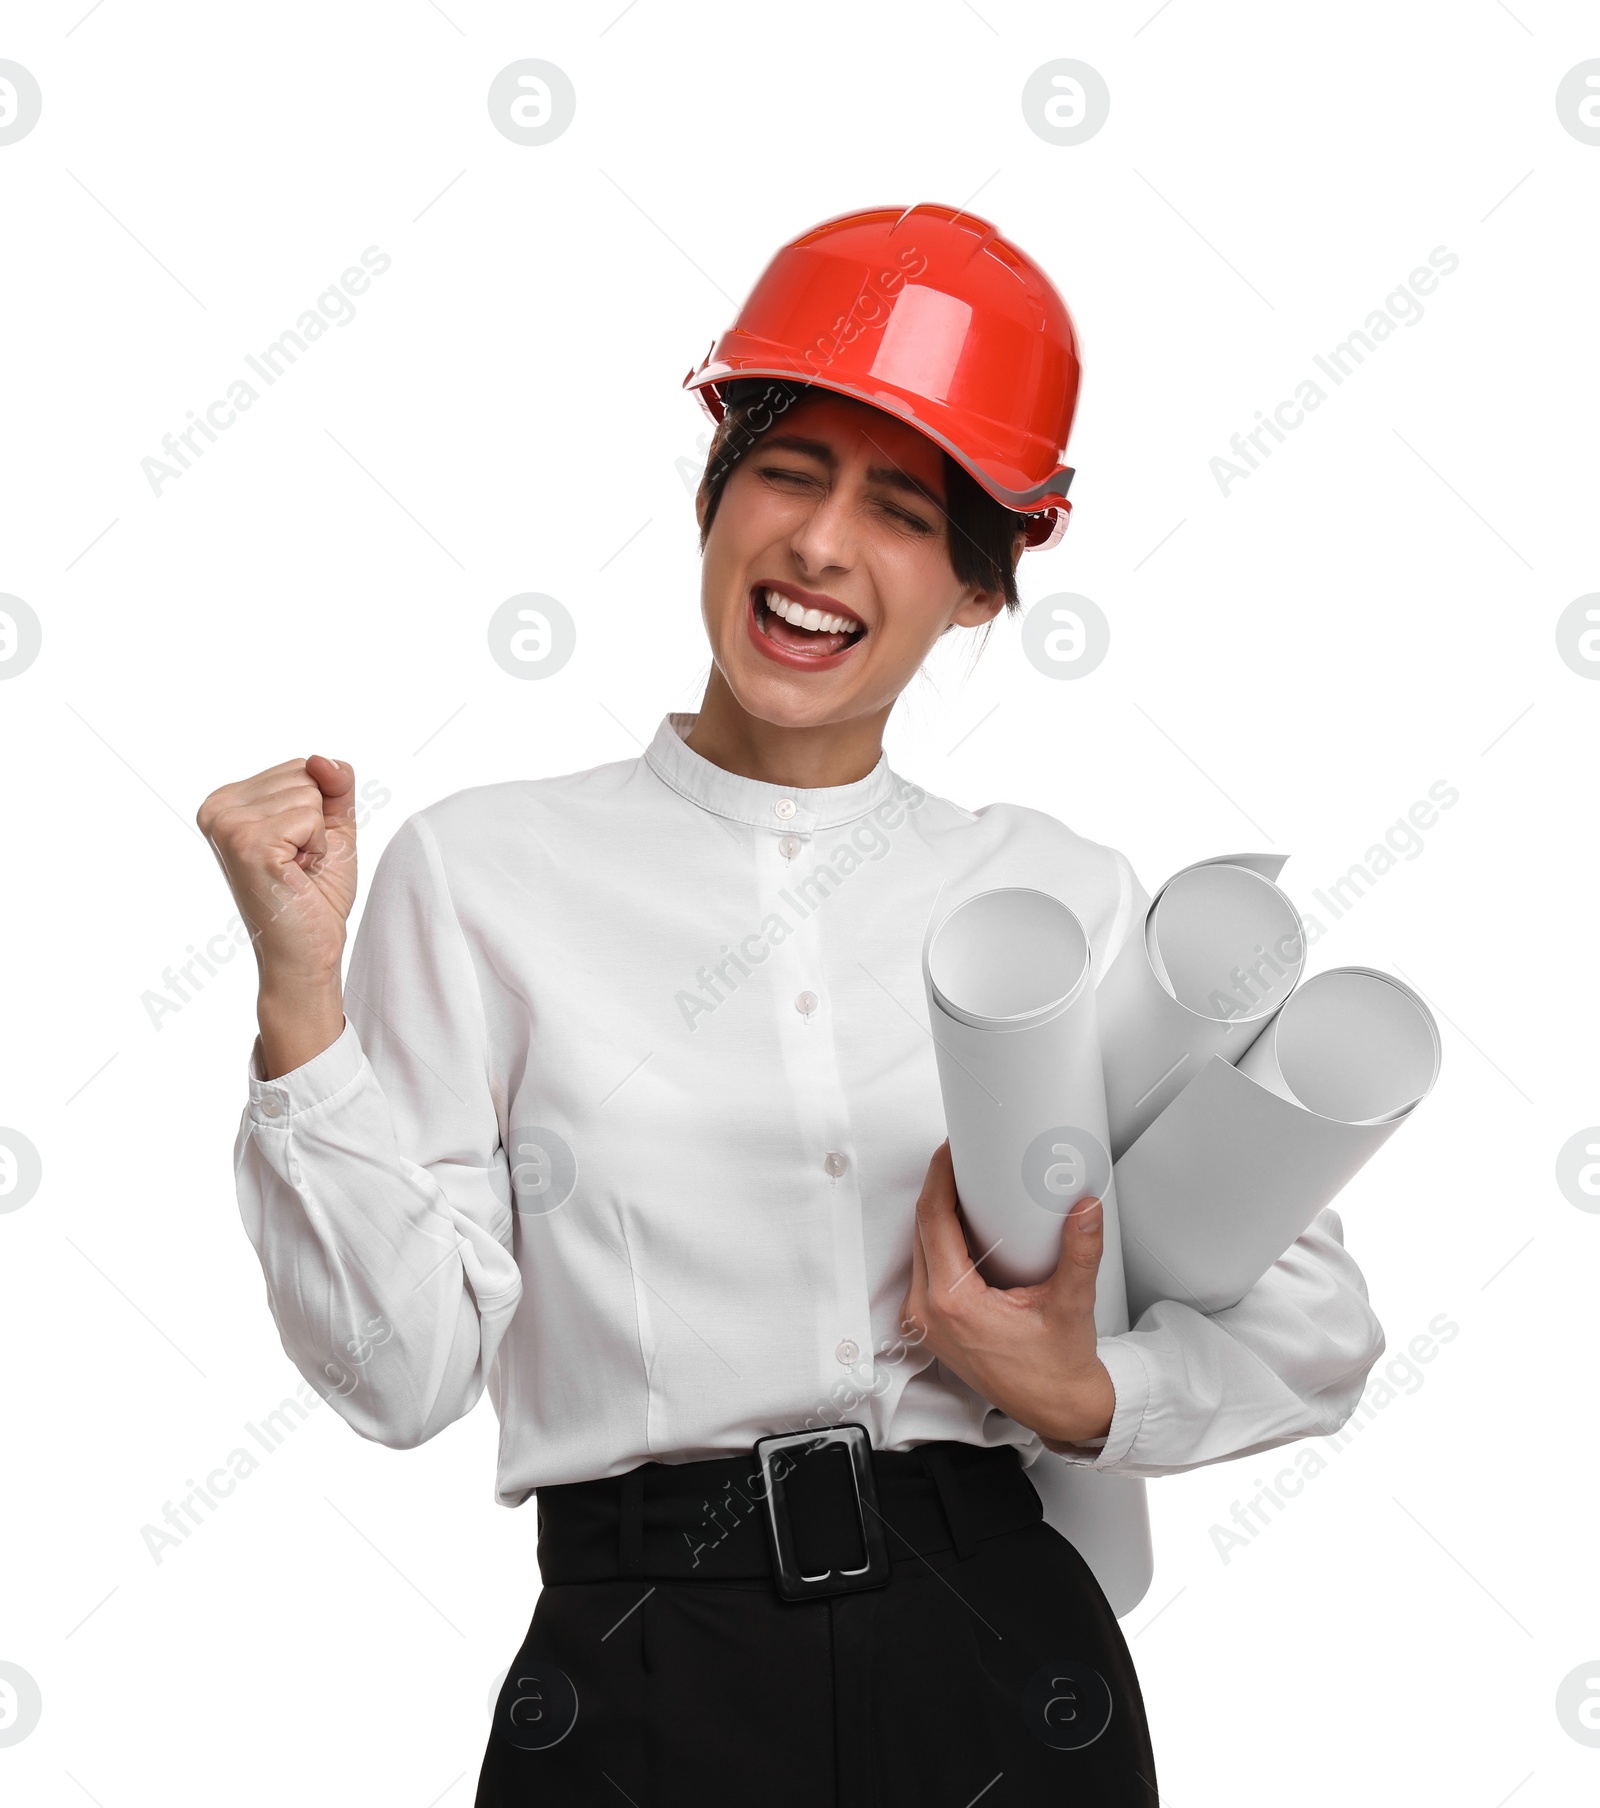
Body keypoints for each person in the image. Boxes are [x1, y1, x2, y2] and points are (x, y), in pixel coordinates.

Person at [198, 203, 1385, 1804]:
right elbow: (399, 1374)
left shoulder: (1071, 902)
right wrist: (296, 999)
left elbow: (1313, 1328)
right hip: (642, 1666)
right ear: (712, 496)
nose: (823, 545)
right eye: (787, 471)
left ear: (981, 584)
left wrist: (1087, 1392)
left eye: (903, 508)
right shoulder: (486, 871)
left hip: (1000, 1652)